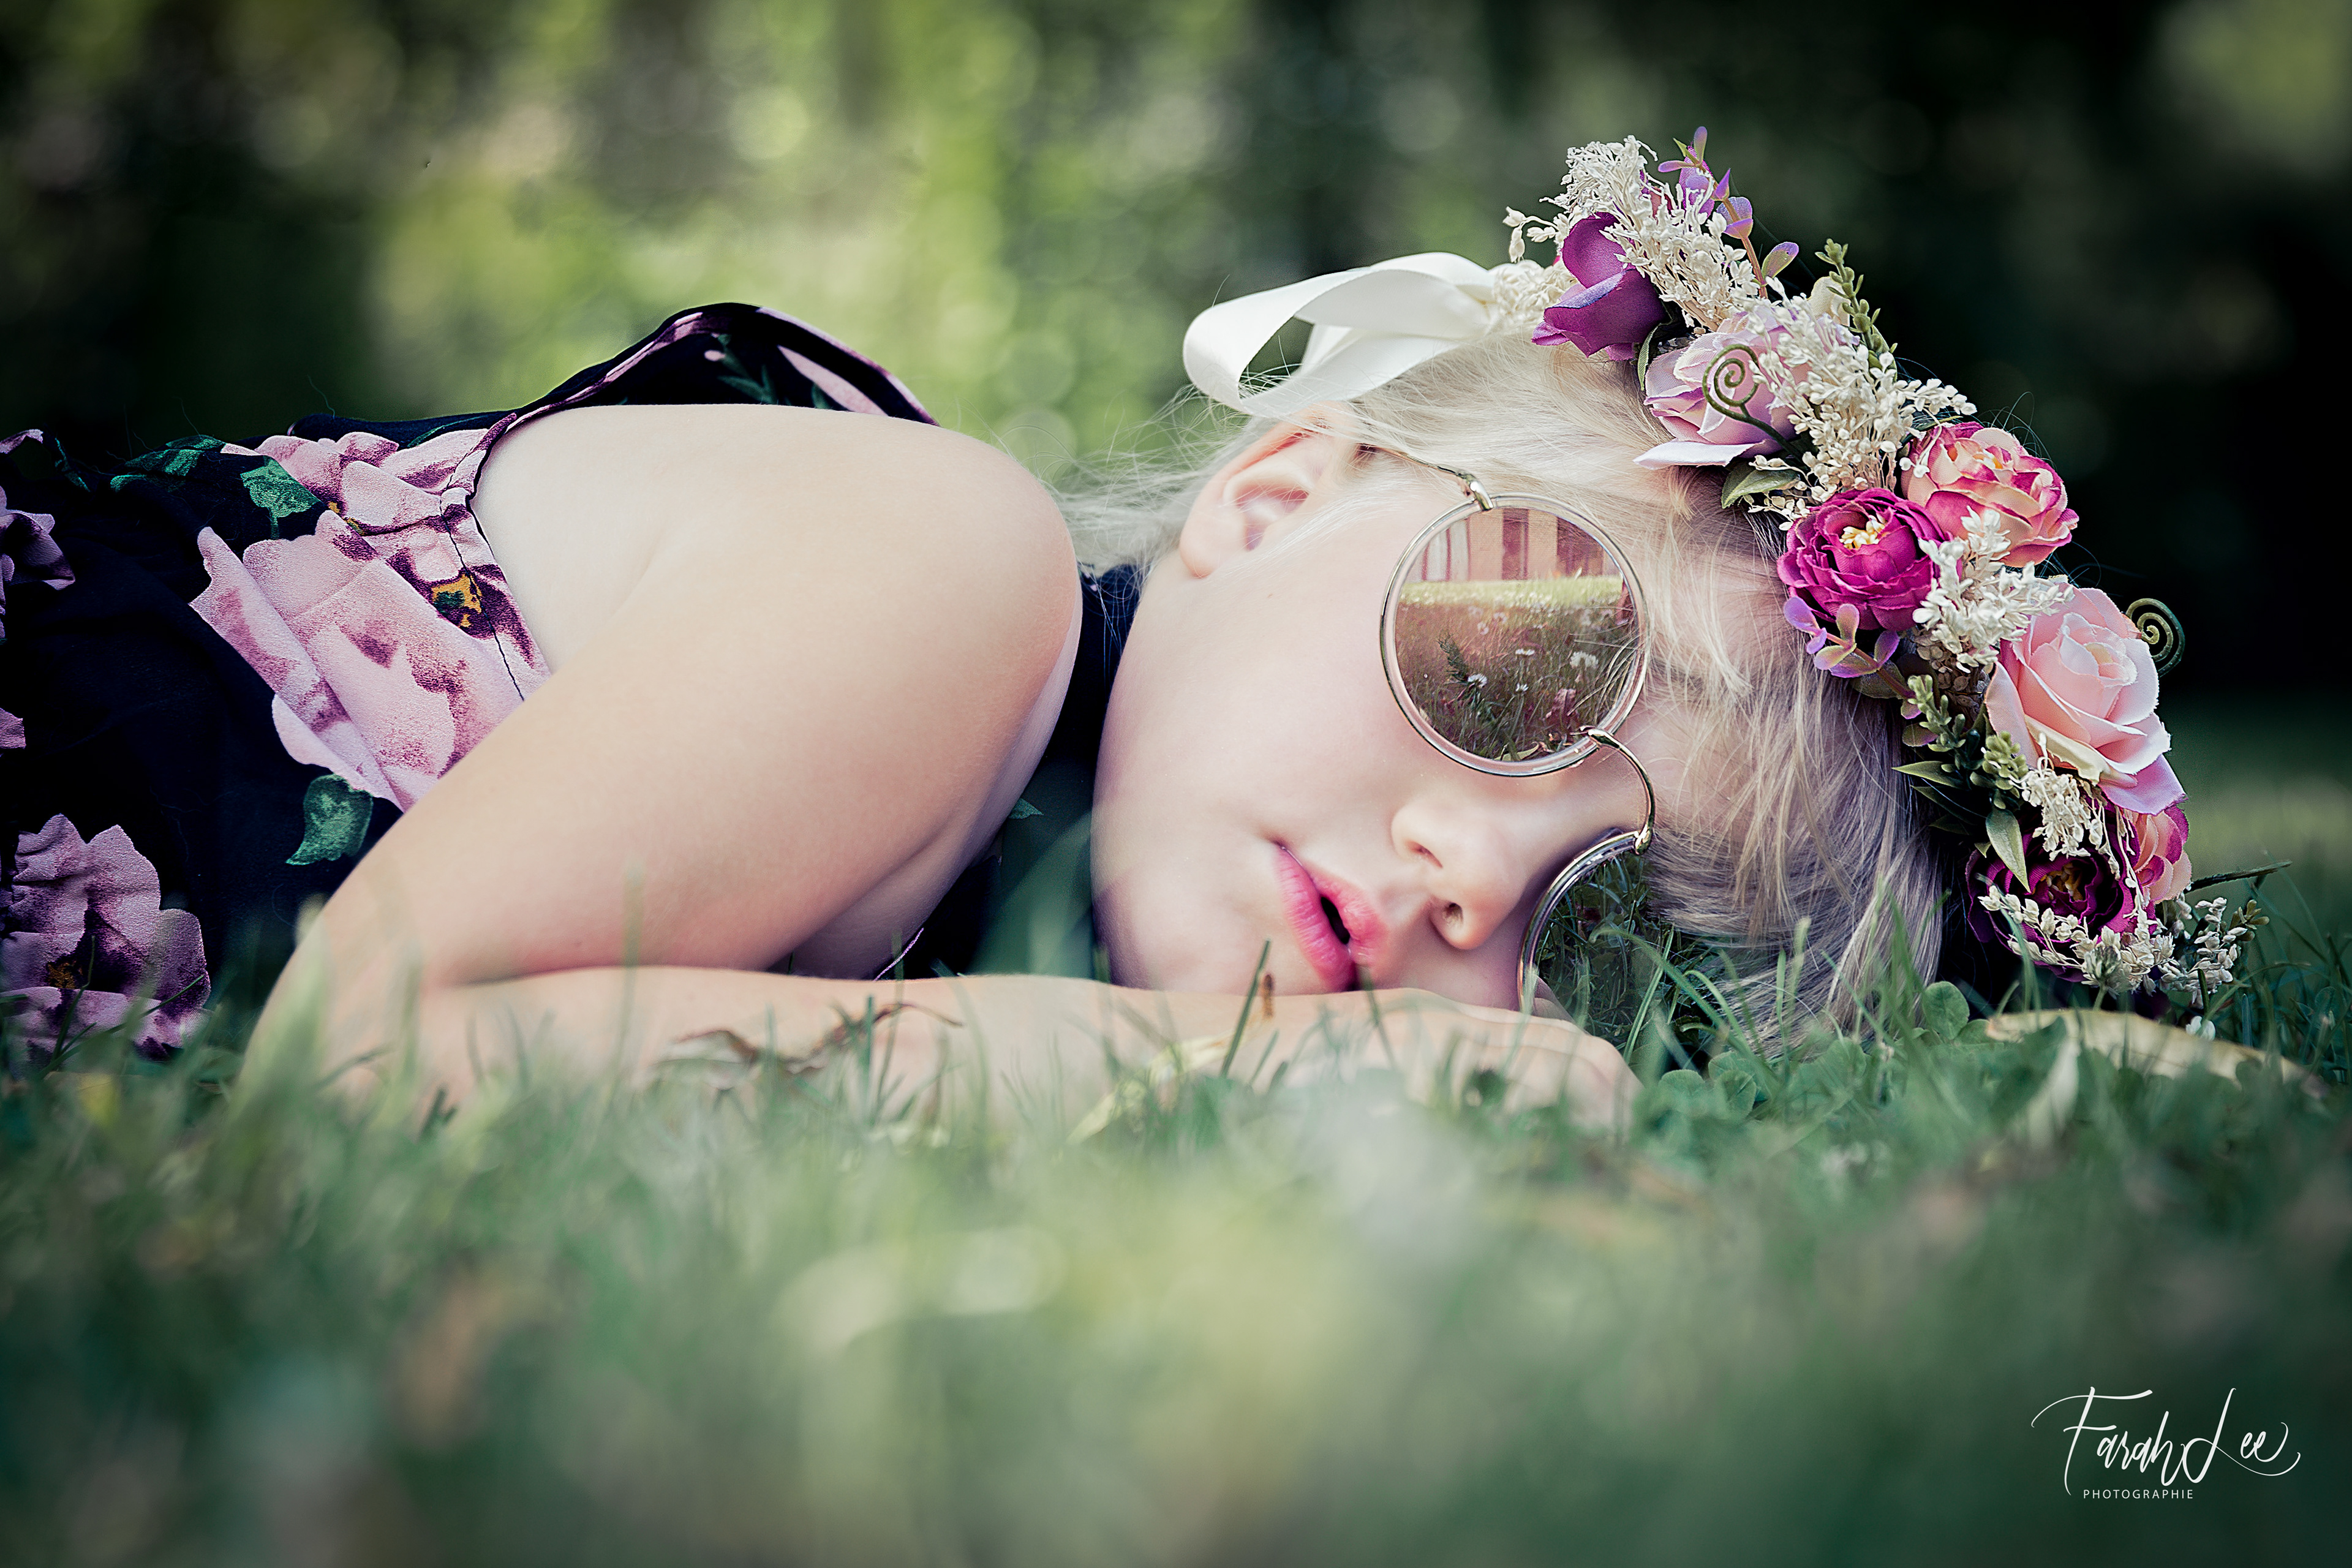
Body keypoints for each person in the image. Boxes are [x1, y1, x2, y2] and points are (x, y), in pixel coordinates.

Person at [0, 129, 2219, 1121]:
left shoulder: (1028, 911)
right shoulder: (939, 573)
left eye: (1620, 940)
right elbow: (369, 1068)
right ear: (1273, 494)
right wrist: (1224, 1072)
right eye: (1522, 674)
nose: (1471, 879)